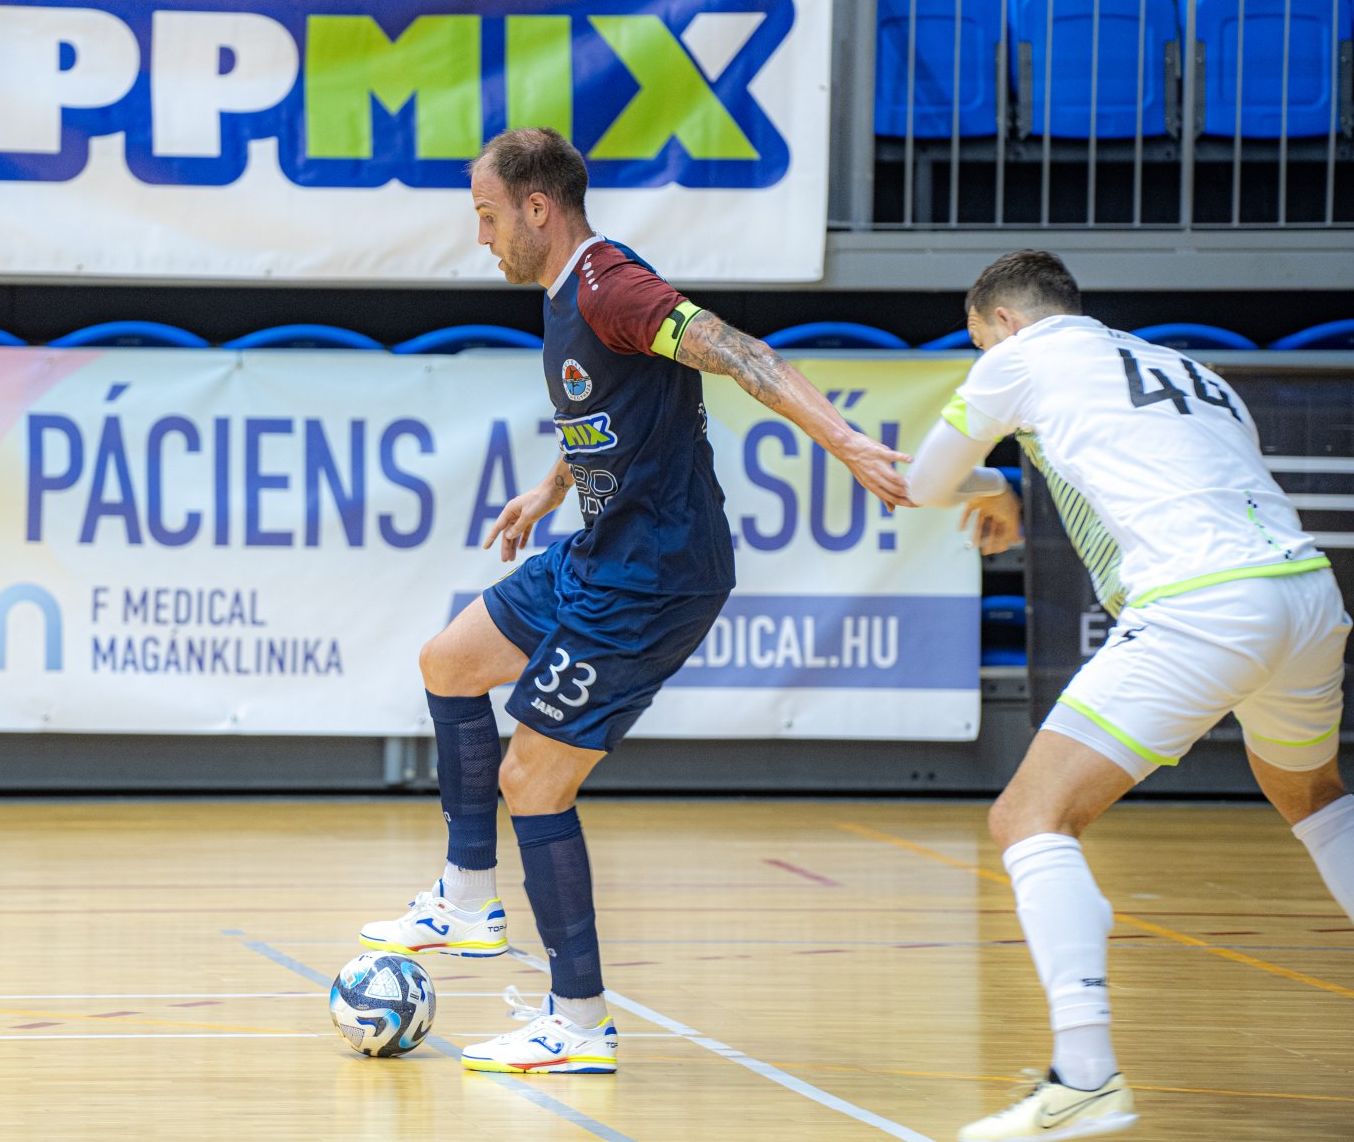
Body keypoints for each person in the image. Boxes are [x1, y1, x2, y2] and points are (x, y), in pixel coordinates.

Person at [359, 128, 913, 1074]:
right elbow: (609, 410)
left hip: (653, 576)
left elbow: (737, 351)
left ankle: (577, 1023)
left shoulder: (612, 286)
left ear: (539, 208)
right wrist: (552, 487)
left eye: (488, 216)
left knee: (534, 780)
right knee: (449, 663)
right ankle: (467, 898)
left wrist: (845, 440)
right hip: (600, 550)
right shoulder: (566, 294)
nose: (481, 237)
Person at [903, 250, 1352, 1141]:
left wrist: (991, 484)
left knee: (1030, 819)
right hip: (1306, 594)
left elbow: (921, 485)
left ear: (1003, 323)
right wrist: (1017, 484)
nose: (982, 356)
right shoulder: (1184, 368)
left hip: (1204, 605)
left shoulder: (1020, 358)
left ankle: (1085, 1077)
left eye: (977, 342)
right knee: (1315, 800)